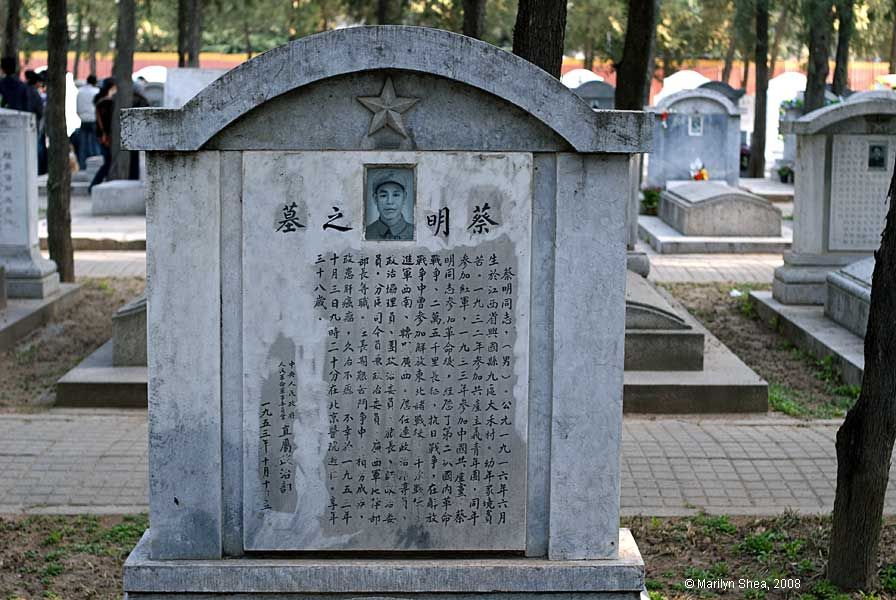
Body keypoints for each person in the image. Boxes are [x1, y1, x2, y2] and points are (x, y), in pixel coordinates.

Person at [365, 173, 414, 240]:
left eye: (396, 195)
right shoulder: (365, 233)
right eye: (383, 195)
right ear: (375, 198)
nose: (389, 201)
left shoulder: (416, 233)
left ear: (404, 198)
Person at [89, 77, 116, 193]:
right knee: (108, 163)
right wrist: (106, 135)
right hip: (105, 137)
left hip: (103, 136)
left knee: (108, 162)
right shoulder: (105, 103)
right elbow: (105, 122)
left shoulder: (103, 101)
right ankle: (93, 185)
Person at [76, 74, 101, 169]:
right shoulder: (96, 91)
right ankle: (96, 165)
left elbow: (77, 108)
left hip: (83, 119)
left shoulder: (80, 92)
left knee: (83, 145)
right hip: (94, 119)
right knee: (94, 144)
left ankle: (82, 165)